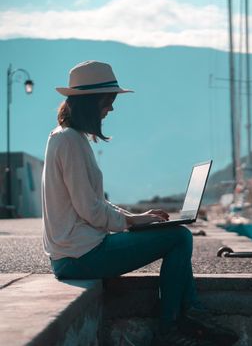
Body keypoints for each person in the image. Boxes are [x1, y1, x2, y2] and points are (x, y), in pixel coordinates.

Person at [42, 60, 238, 346]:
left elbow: (92, 204)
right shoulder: (70, 142)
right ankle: (173, 325)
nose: (112, 108)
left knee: (175, 235)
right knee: (179, 238)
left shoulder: (66, 138)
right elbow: (91, 210)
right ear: (92, 101)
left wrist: (137, 217)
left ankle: (190, 315)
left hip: (73, 253)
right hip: (79, 257)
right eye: (109, 100)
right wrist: (131, 222)